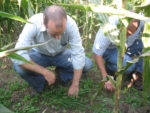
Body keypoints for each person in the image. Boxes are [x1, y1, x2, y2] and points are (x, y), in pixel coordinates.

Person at [12, 5, 93, 96]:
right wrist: (44, 71)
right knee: (19, 67)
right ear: (44, 23)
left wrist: (75, 84)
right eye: (54, 34)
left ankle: (61, 76)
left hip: (61, 54)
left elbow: (78, 53)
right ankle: (42, 84)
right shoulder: (33, 23)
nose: (58, 38)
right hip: (39, 54)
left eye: (61, 33)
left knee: (87, 64)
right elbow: (18, 55)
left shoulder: (71, 24)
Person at [92, 15, 144, 91]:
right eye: (125, 33)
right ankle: (109, 67)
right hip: (110, 49)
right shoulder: (109, 25)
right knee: (129, 67)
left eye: (130, 34)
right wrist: (105, 77)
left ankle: (137, 75)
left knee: (147, 46)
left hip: (129, 45)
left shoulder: (142, 20)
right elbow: (97, 53)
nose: (126, 37)